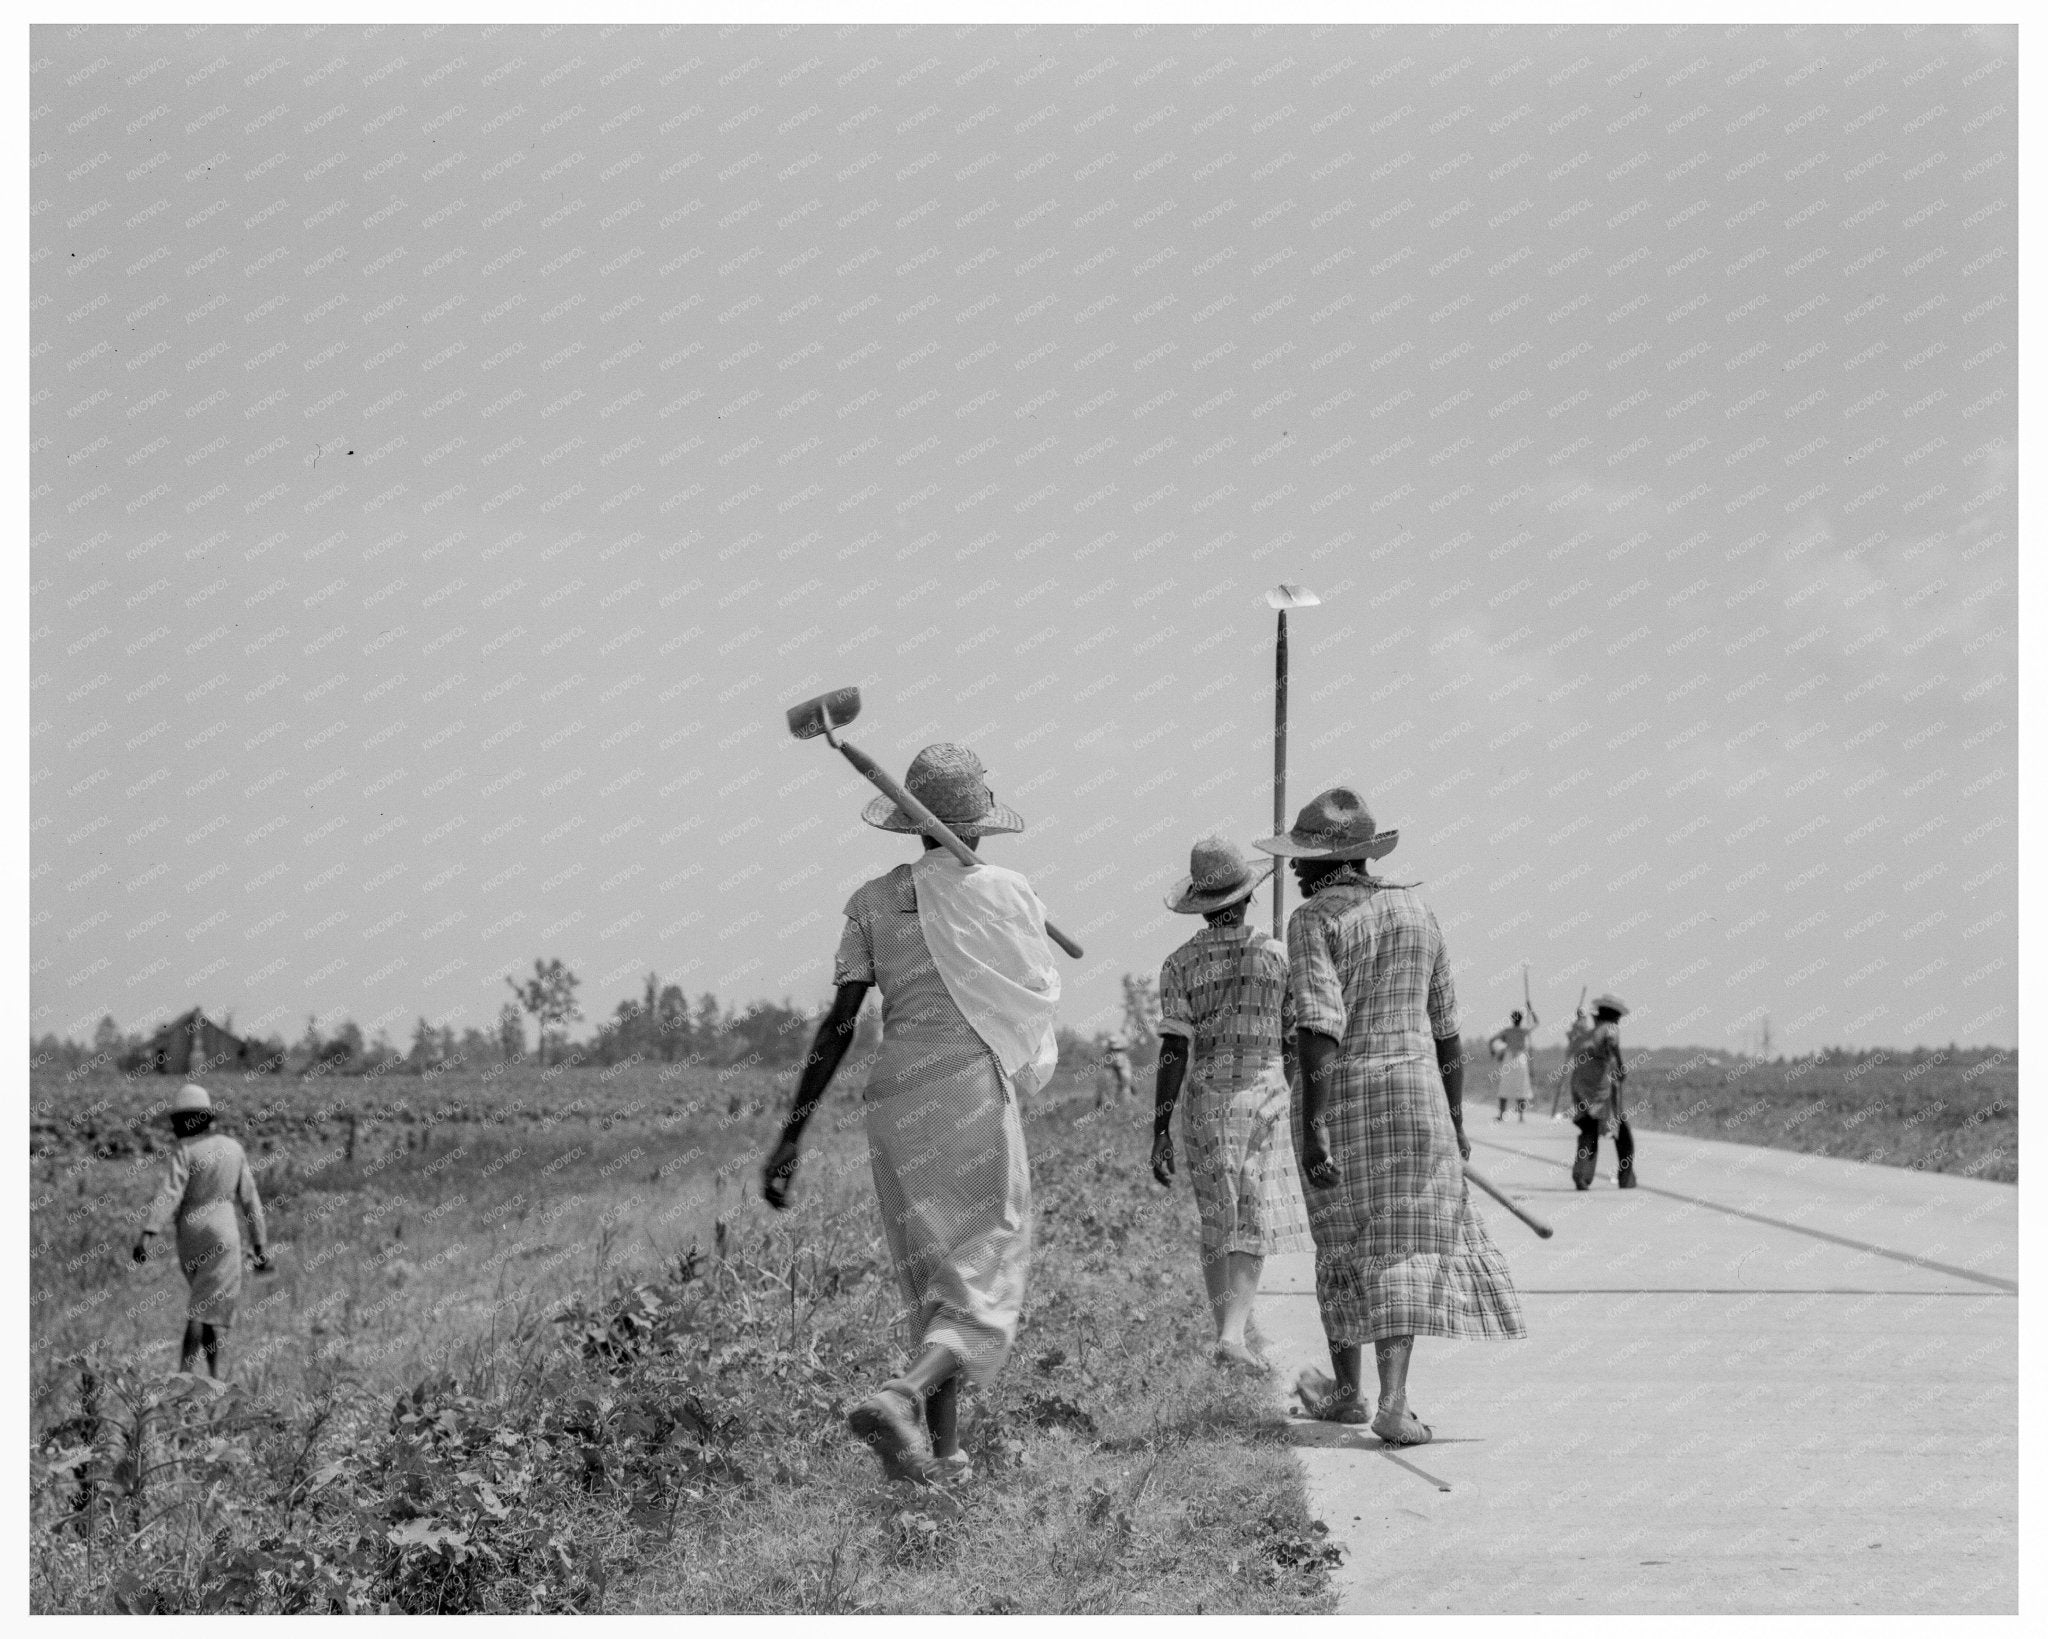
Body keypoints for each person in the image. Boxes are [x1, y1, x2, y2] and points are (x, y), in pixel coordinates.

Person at [761, 743, 1058, 1495]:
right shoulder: (1008, 892)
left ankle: (944, 1459)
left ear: (910, 825)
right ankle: (899, 1393)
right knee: (986, 1270)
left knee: (935, 1273)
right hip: (965, 1089)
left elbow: (838, 1023)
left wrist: (790, 1135)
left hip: (898, 1096)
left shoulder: (872, 899)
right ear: (980, 825)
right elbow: (1031, 993)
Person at [1255, 788, 1525, 1447]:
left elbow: (1319, 1022)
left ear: (1330, 863)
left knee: (1344, 1241)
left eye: (1302, 859)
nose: (1293, 869)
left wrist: (1316, 1121)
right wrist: (1455, 1120)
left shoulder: (1314, 918)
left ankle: (1352, 1392)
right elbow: (1449, 1031)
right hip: (1418, 1096)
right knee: (1402, 1242)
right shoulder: (1417, 910)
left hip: (1343, 1094)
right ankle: (1393, 1401)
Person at [1149, 836, 1314, 1374]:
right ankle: (1232, 1334)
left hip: (1203, 1095)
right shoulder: (1277, 956)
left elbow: (1175, 1046)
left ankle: (1228, 1333)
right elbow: (1295, 1039)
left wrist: (1160, 1128)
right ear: (1246, 899)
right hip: (1263, 1091)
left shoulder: (1179, 963)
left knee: (1217, 1212)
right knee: (1251, 1209)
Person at [131, 1083, 270, 1379]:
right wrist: (260, 1245)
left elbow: (170, 1193)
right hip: (223, 1229)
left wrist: (148, 1232)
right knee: (204, 1306)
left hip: (191, 1233)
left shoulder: (185, 1151)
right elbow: (250, 1199)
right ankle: (185, 1376)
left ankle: (211, 1375)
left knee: (205, 1304)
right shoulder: (233, 1149)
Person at [1565, 994, 1635, 1190]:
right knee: (1622, 1134)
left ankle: (1582, 1174)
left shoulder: (1588, 1033)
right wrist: (1621, 1067)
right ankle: (1625, 1178)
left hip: (1579, 1085)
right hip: (1598, 1089)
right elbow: (1612, 1045)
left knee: (1588, 1129)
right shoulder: (1610, 1029)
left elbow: (1573, 1043)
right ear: (1614, 1016)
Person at [1487, 1004, 1539, 1121]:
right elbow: (1536, 1023)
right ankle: (1521, 1116)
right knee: (1521, 1088)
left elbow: (1492, 1040)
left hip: (1509, 1059)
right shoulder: (1523, 1031)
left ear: (1512, 1019)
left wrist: (1492, 1052)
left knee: (1505, 1087)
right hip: (1521, 1060)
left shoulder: (1507, 1031)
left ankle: (1501, 1115)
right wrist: (1531, 1010)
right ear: (1521, 1020)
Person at [1550, 1003, 1592, 1121]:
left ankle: (1579, 1111)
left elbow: (1576, 1038)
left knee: (1577, 1084)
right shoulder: (1581, 1026)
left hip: (1580, 1058)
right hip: (1577, 1057)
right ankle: (1576, 1110)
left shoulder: (1581, 1026)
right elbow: (1573, 1039)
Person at [1097, 1033, 1134, 1108]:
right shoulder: (1110, 1051)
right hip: (1117, 1072)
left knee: (1124, 1088)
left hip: (1122, 1072)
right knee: (1114, 1088)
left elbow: (1118, 1064)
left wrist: (1105, 1064)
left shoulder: (1117, 1051)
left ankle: (1125, 1105)